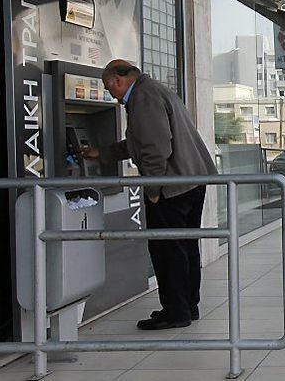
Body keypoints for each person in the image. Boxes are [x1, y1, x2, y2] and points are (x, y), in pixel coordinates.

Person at [82, 60, 217, 330]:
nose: (112, 97)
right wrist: (103, 152)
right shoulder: (155, 90)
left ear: (119, 80)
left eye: (110, 89)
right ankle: (187, 306)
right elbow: (140, 143)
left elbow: (156, 148)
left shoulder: (143, 96)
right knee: (184, 246)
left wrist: (153, 189)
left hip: (171, 185)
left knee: (167, 248)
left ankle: (176, 312)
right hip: (191, 179)